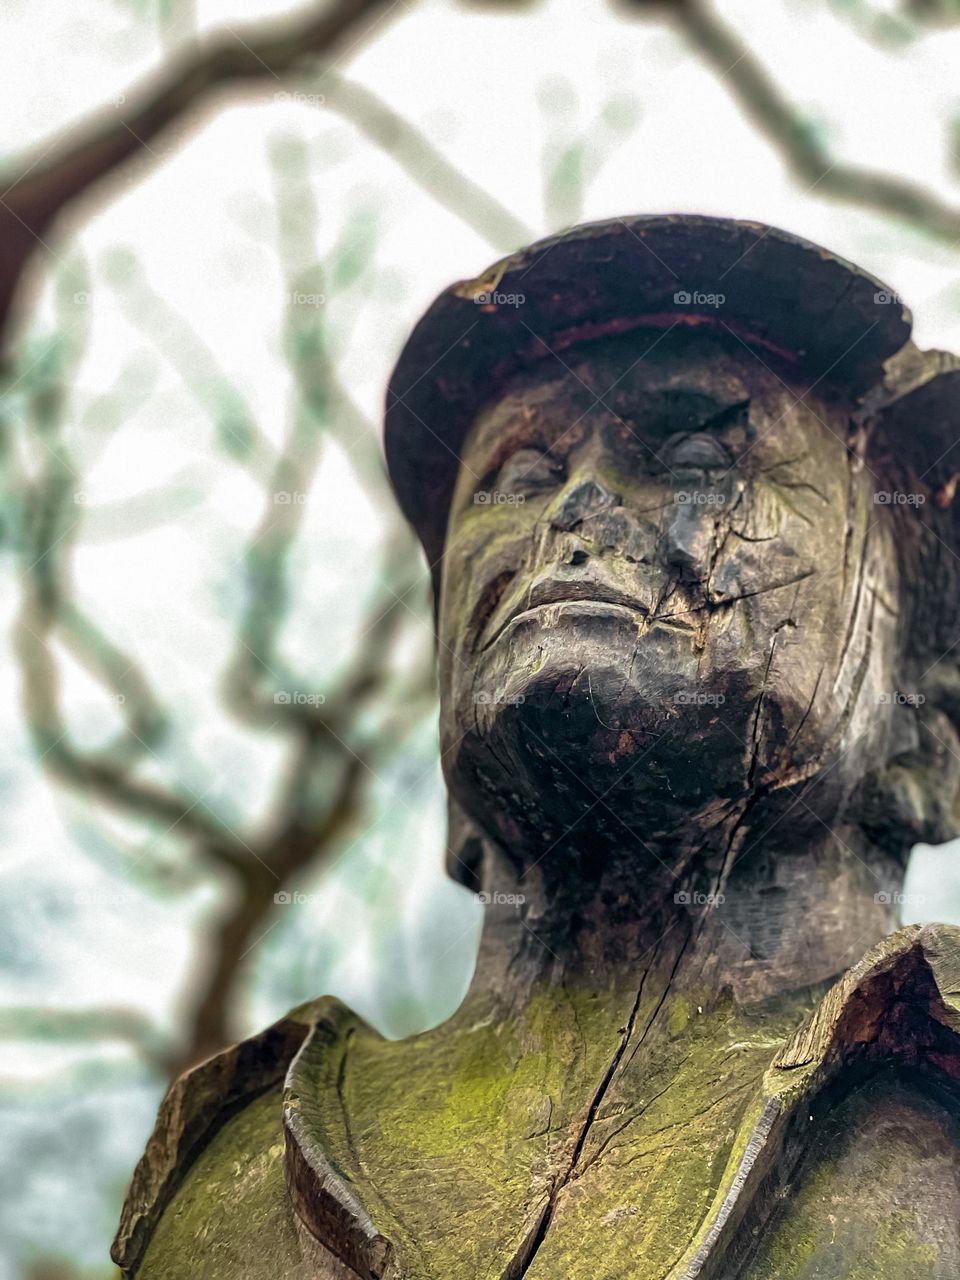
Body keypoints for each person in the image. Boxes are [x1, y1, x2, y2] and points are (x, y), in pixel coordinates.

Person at [114, 215, 960, 1279]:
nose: (581, 503)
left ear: (933, 708)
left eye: (697, 447)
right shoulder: (222, 1168)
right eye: (518, 474)